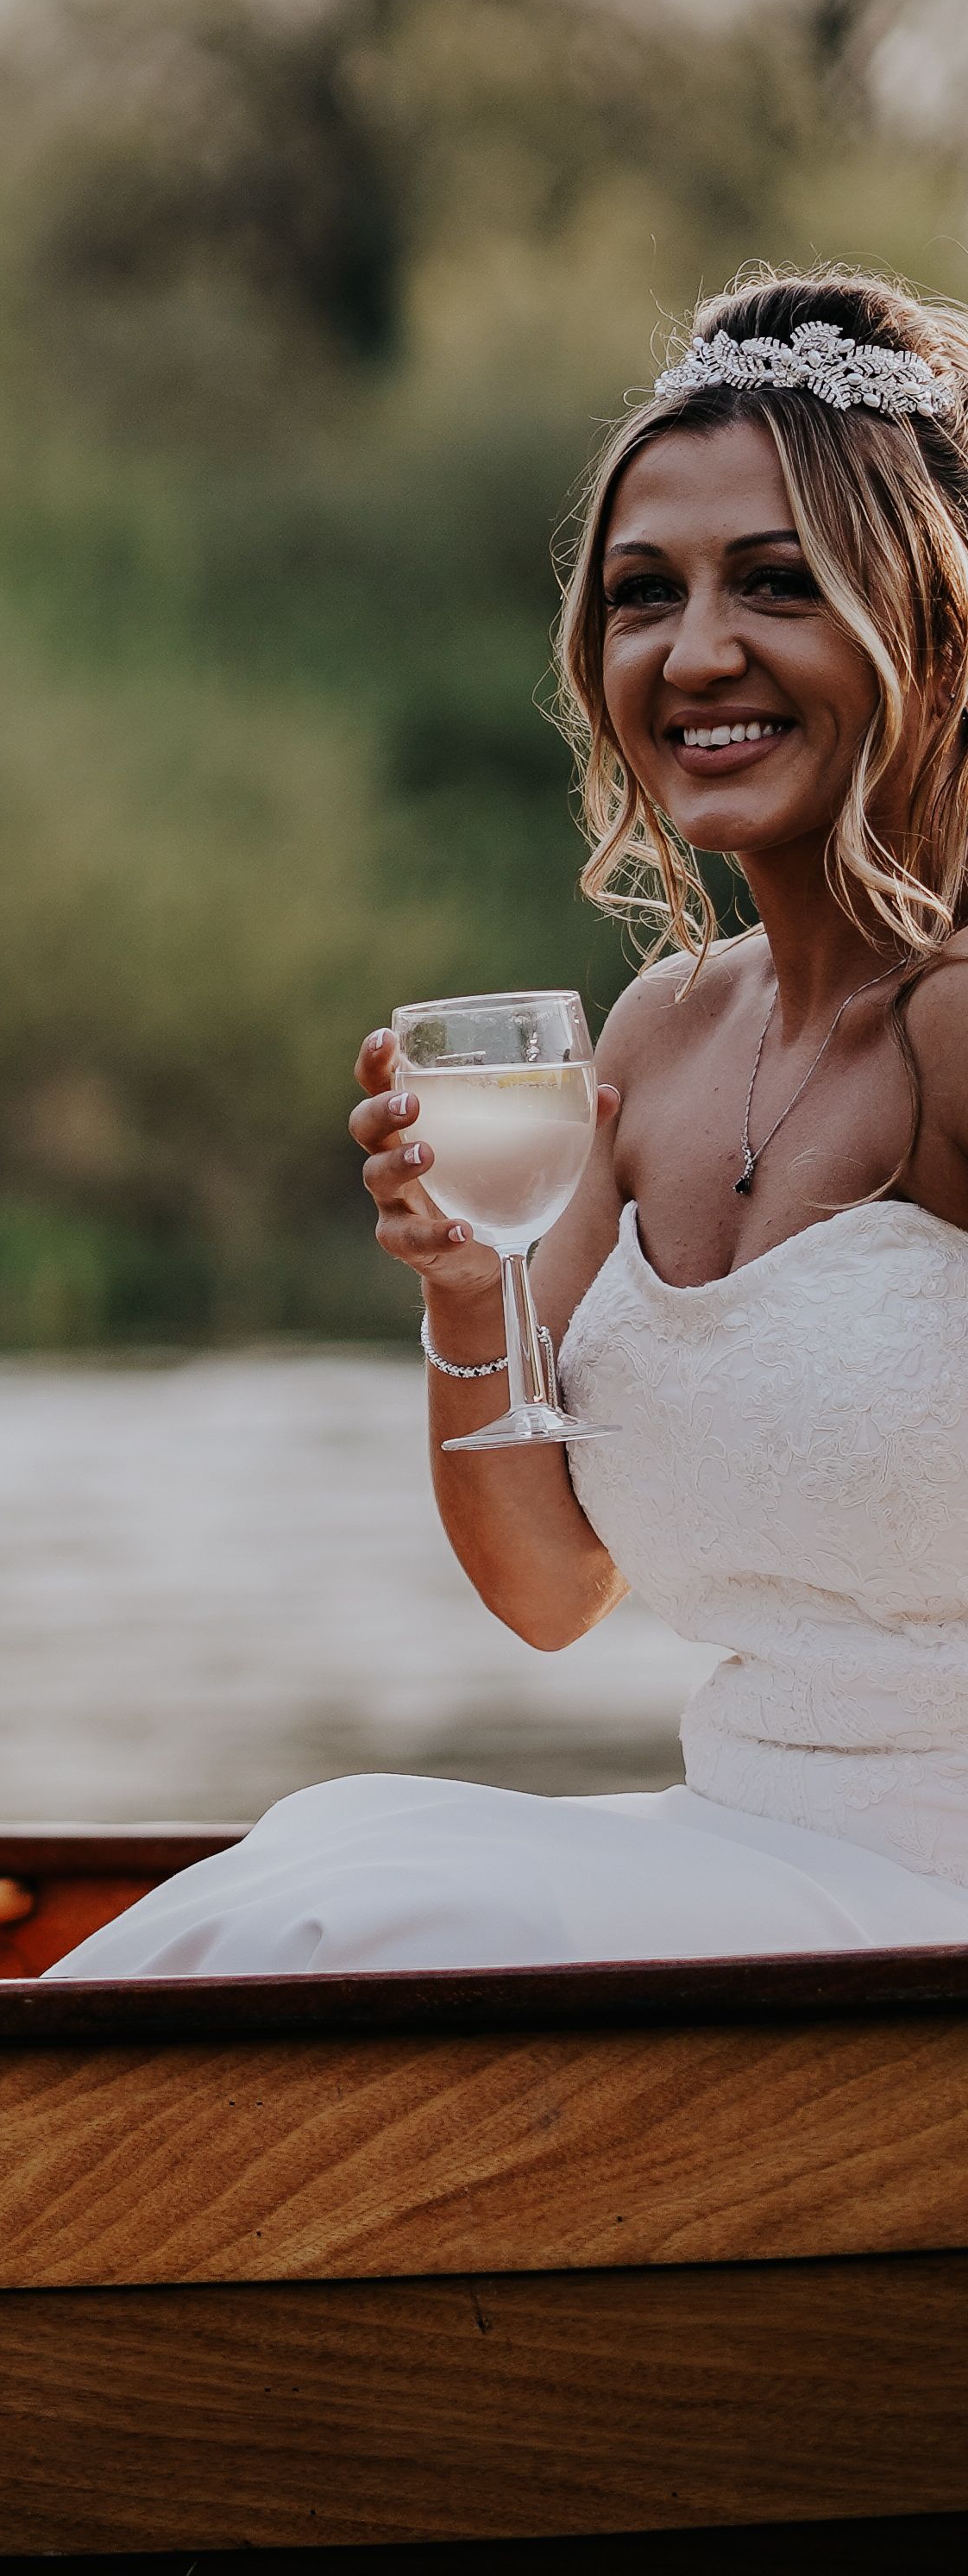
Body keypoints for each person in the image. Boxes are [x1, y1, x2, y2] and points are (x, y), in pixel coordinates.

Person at [61, 266, 968, 1978]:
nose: (694, 650)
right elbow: (550, 1587)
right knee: (334, 1833)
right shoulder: (655, 1030)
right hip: (747, 1827)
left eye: (776, 584)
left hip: (931, 1899)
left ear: (922, 619)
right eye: (643, 593)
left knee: (379, 1914)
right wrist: (460, 1292)